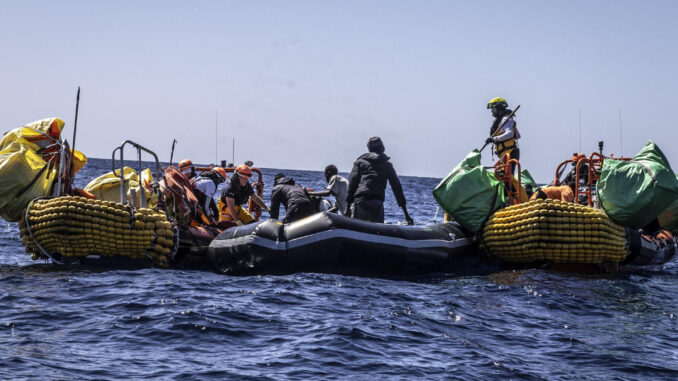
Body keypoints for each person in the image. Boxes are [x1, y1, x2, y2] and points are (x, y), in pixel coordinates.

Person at [346, 137, 413, 225]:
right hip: (376, 203)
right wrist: (406, 214)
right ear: (382, 148)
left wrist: (348, 209)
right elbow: (397, 188)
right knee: (376, 234)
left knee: (356, 231)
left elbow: (352, 184)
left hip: (360, 201)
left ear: (369, 149)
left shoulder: (360, 162)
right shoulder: (387, 165)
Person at [485, 97, 520, 175]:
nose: (492, 112)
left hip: (510, 152)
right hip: (505, 154)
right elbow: (517, 135)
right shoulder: (503, 120)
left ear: (499, 107)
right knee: (503, 176)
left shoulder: (505, 119)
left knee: (507, 177)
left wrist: (494, 139)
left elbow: (510, 133)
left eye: (493, 109)